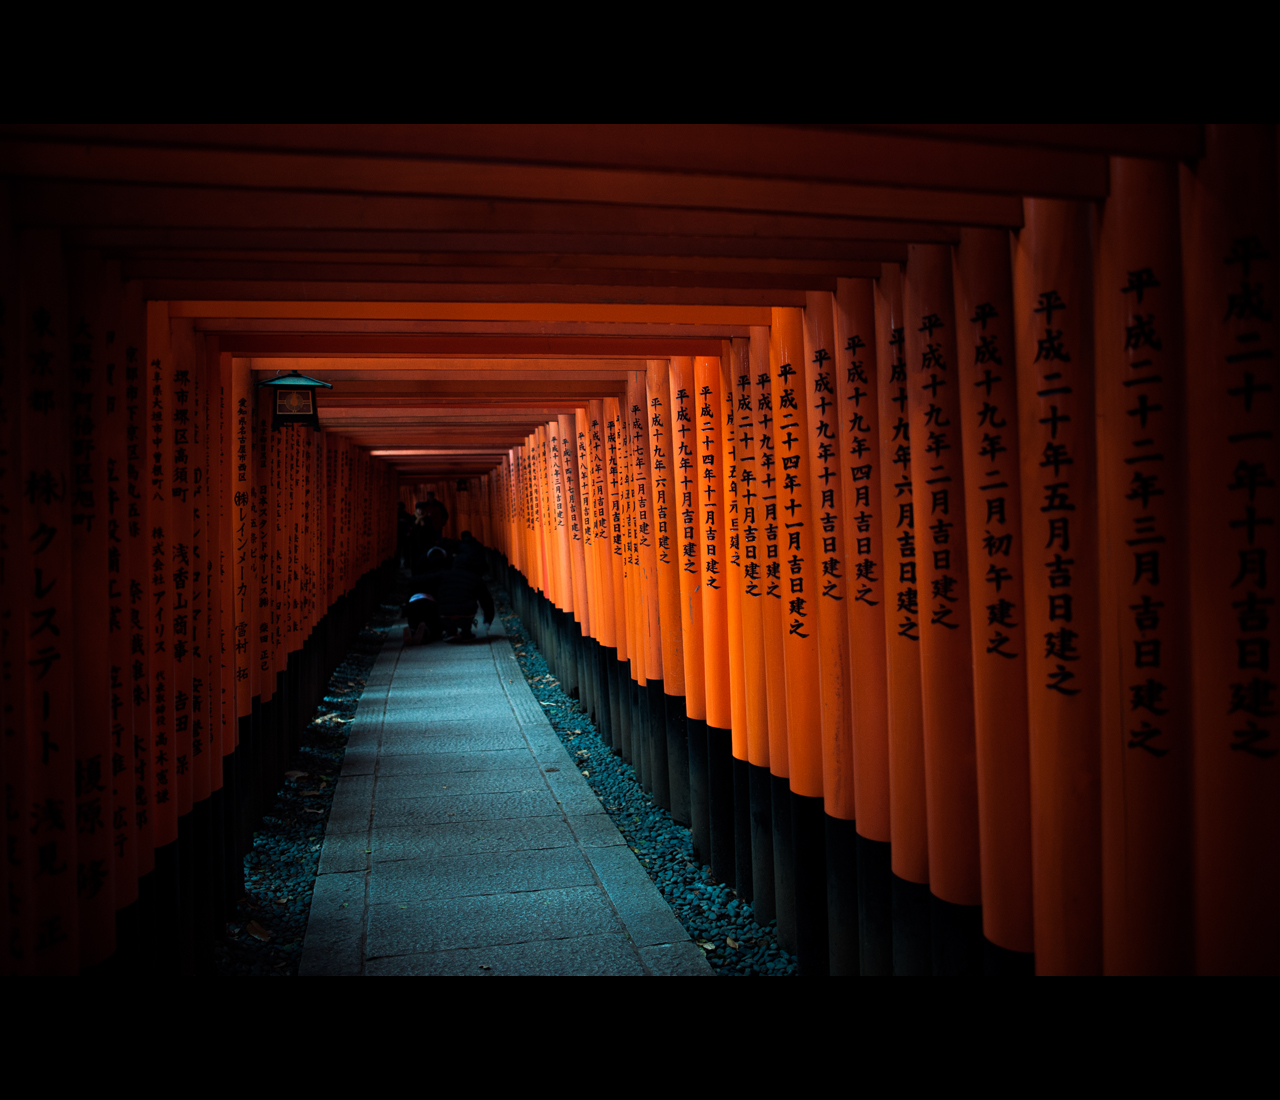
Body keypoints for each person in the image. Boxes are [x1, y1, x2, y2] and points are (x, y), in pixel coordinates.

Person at [419, 553, 494, 640]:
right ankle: (466, 631)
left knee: (449, 604)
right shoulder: (475, 578)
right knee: (466, 604)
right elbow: (486, 601)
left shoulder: (444, 575)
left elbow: (423, 580)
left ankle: (450, 631)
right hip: (466, 614)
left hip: (444, 615)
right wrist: (487, 620)